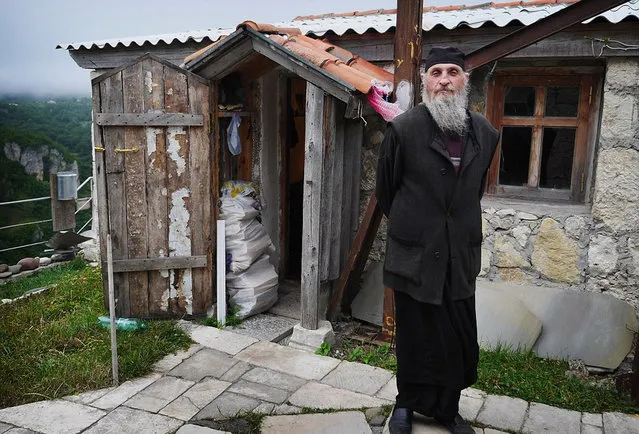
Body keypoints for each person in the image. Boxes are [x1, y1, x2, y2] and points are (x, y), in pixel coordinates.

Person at [376, 47, 499, 434]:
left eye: (452, 72)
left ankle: (447, 408)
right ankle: (406, 405)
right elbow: (386, 192)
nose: (444, 79)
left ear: (466, 80)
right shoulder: (403, 129)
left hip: (459, 255)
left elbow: (473, 190)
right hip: (415, 254)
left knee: (456, 336)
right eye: (435, 72)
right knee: (415, 334)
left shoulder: (486, 133)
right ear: (426, 80)